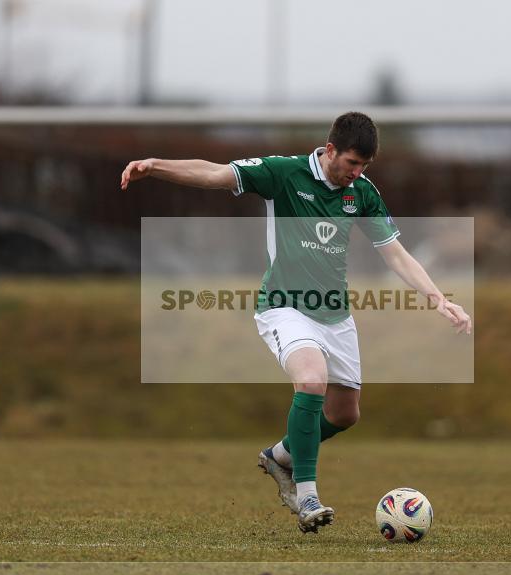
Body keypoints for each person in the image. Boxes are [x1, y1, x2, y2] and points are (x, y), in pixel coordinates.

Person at [121, 112, 471, 533]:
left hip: (335, 315)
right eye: (350, 163)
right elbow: (213, 173)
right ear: (329, 150)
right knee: (311, 381)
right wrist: (156, 166)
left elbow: (393, 252)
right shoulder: (283, 173)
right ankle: (307, 497)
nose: (355, 173)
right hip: (284, 306)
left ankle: (281, 456)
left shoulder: (361, 192)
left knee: (345, 414)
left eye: (363, 166)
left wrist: (437, 298)